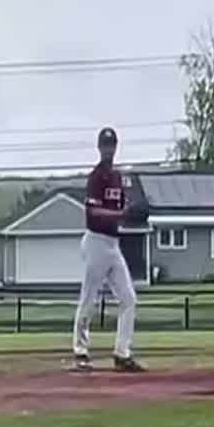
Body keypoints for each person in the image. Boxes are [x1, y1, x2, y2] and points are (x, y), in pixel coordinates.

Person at [72, 127, 145, 373]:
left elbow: (124, 206)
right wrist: (119, 214)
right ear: (99, 147)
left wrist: (131, 211)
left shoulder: (117, 177)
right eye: (105, 145)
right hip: (95, 241)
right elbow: (92, 212)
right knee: (89, 298)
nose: (108, 149)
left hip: (113, 243)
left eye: (111, 145)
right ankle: (80, 351)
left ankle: (122, 353)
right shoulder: (96, 177)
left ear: (116, 147)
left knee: (129, 298)